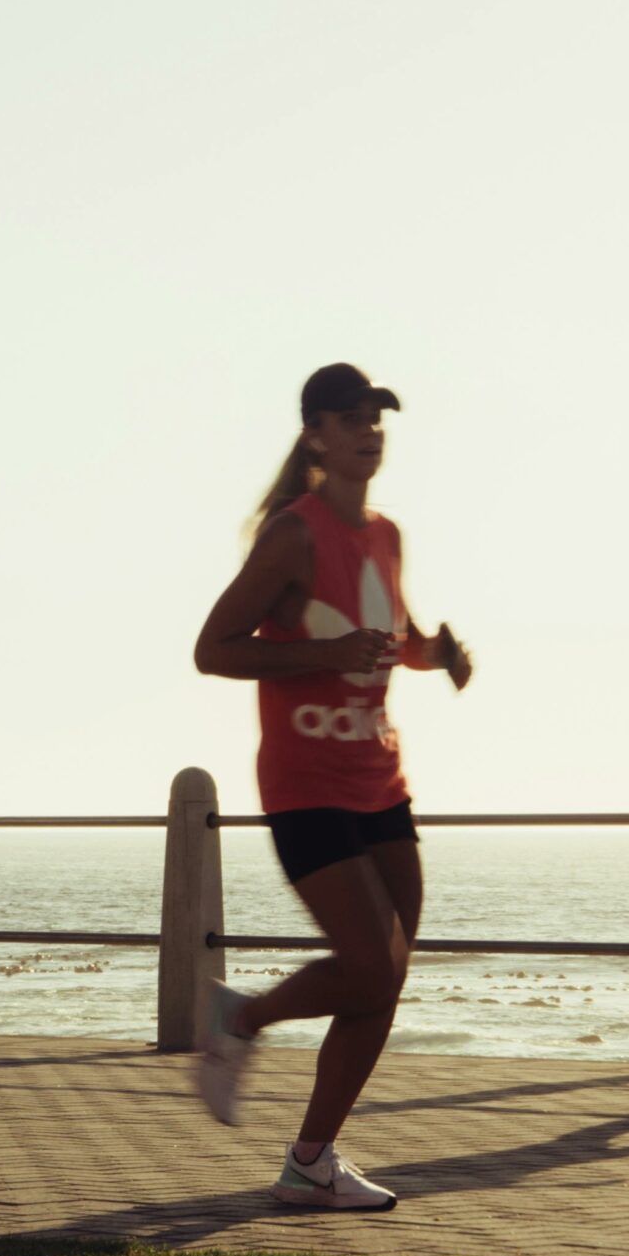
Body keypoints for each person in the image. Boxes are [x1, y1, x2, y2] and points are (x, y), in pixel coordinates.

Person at [189, 363, 471, 1210]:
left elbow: (394, 636)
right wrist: (323, 653)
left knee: (386, 976)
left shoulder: (386, 534)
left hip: (381, 778)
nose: (369, 433)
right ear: (315, 433)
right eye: (352, 420)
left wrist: (437, 655)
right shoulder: (293, 534)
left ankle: (312, 1159)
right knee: (366, 965)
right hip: (306, 781)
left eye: (378, 420)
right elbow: (214, 649)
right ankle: (241, 1020)